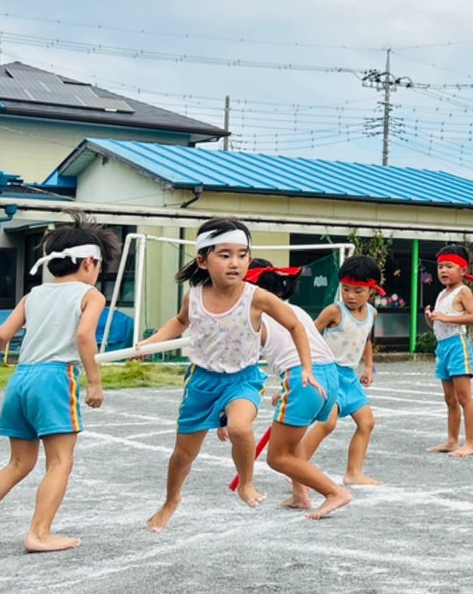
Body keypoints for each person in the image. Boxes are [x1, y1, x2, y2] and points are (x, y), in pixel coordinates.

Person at [137, 217, 331, 527]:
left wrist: (306, 368)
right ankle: (171, 500)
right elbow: (179, 322)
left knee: (240, 428)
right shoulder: (195, 296)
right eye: (224, 255)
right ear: (202, 260)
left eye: (242, 255)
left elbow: (294, 325)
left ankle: (246, 483)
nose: (235, 263)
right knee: (183, 455)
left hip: (243, 379)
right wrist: (148, 343)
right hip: (202, 381)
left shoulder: (257, 297)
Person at [0, 216, 120, 553]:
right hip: (56, 378)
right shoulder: (91, 295)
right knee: (60, 462)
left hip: (22, 378)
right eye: (99, 264)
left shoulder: (35, 294)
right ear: (89, 262)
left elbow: (1, 334)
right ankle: (39, 534)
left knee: (18, 463)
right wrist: (95, 383)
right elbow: (85, 336)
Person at [241, 260, 352, 520]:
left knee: (277, 457)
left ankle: (334, 492)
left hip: (302, 381)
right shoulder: (296, 311)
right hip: (325, 377)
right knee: (292, 446)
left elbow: (245, 369)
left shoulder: (257, 318)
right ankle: (300, 495)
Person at [308, 253, 383, 487]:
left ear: (372, 289)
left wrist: (369, 367)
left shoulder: (372, 312)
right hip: (329, 374)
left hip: (350, 377)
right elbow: (307, 335)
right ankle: (297, 466)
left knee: (367, 422)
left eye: (358, 291)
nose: (350, 296)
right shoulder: (334, 311)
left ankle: (353, 473)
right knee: (327, 424)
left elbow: (366, 340)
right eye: (345, 289)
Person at [425, 245, 473, 457]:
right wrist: (431, 318)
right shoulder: (441, 293)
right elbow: (438, 325)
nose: (443, 271)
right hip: (443, 346)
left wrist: (447, 317)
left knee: (464, 397)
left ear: (463, 270)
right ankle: (452, 440)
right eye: (440, 267)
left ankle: (472, 443)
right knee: (450, 399)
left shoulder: (463, 291)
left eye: (449, 266)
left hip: (458, 345)